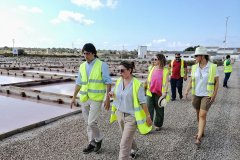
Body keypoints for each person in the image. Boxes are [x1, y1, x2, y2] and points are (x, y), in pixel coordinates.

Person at [70, 43, 112, 154]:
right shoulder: (82, 66)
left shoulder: (102, 65)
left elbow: (108, 82)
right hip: (84, 98)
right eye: (83, 53)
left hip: (96, 98)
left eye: (87, 53)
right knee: (87, 123)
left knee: (91, 122)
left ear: (93, 53)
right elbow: (79, 83)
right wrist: (74, 97)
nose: (85, 55)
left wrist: (107, 99)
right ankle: (91, 143)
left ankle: (99, 139)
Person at [109, 61, 152, 160]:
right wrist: (112, 93)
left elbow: (143, 102)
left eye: (122, 70)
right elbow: (115, 91)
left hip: (131, 118)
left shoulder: (137, 84)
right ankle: (135, 149)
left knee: (123, 144)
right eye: (119, 70)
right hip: (120, 115)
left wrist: (148, 116)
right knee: (127, 136)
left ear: (130, 70)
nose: (120, 73)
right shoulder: (120, 81)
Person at [185, 46, 219, 145]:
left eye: (196, 55)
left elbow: (217, 82)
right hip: (196, 94)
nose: (195, 57)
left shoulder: (212, 67)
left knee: (202, 114)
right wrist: (187, 90)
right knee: (198, 113)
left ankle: (199, 137)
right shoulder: (194, 67)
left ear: (202, 56)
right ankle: (202, 131)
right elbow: (191, 80)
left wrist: (214, 94)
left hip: (207, 95)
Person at [145, 54, 170, 131]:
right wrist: (143, 87)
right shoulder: (151, 68)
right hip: (150, 92)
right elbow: (148, 79)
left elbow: (166, 83)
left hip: (160, 93)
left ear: (160, 60)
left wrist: (165, 92)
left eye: (156, 59)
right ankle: (148, 124)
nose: (154, 61)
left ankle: (158, 124)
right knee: (149, 108)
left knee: (159, 109)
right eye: (153, 59)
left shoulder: (165, 70)